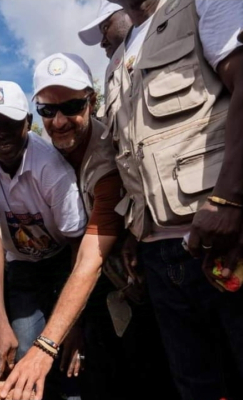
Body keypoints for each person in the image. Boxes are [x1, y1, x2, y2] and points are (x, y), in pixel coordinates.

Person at [0, 52, 177, 400]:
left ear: (92, 101)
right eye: (48, 111)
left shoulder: (107, 159)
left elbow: (90, 259)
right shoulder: (37, 154)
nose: (60, 121)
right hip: (71, 276)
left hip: (122, 277)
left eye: (73, 106)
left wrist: (44, 347)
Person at [101, 1, 243, 399]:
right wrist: (135, 231)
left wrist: (231, 199)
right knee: (196, 387)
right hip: (159, 259)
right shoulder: (116, 62)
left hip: (225, 241)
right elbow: (137, 156)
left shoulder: (200, 5)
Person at [0, 80, 87, 399]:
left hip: (64, 262)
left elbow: (77, 243)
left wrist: (74, 323)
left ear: (27, 123)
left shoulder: (52, 167)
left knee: (69, 357)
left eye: (9, 123)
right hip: (22, 267)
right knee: (20, 355)